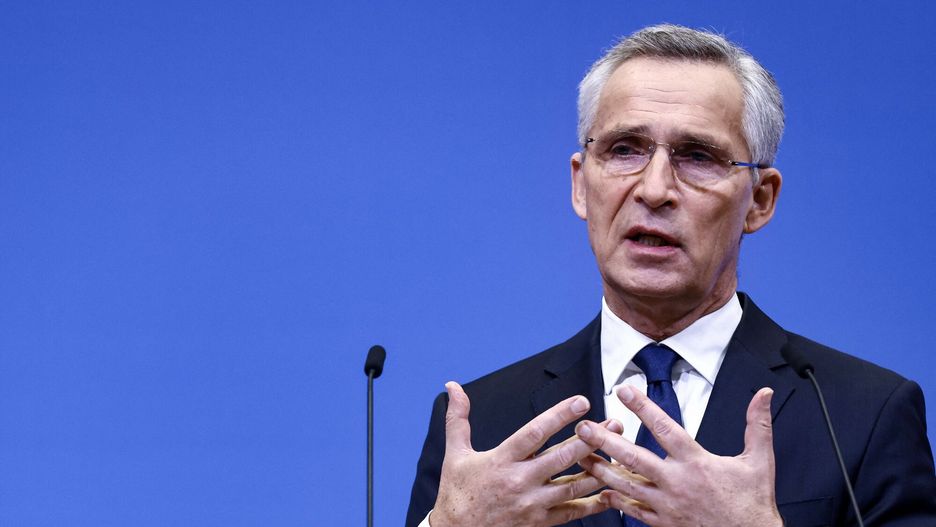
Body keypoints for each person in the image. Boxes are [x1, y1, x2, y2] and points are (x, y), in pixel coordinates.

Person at [406, 24, 936, 527]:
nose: (654, 189)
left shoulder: (863, 415)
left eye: (698, 156)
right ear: (580, 186)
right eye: (624, 150)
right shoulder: (481, 424)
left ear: (760, 200)